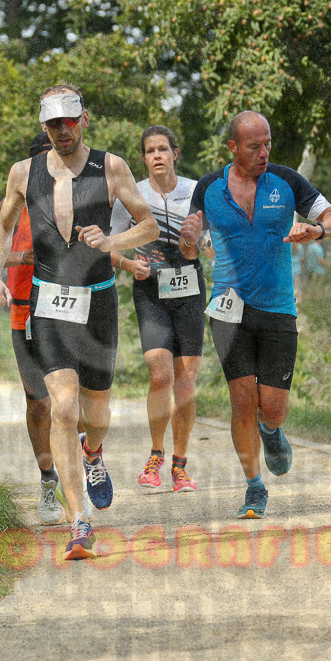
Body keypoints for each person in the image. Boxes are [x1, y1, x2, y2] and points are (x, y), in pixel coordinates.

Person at [0, 83, 159, 560]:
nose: (62, 131)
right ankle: (79, 520)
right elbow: (2, 225)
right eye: (53, 124)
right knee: (63, 408)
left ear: (84, 119)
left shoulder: (112, 167)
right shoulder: (24, 172)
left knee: (95, 415)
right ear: (43, 126)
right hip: (48, 304)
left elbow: (149, 225)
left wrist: (112, 242)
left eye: (69, 121)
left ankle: (94, 453)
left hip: (98, 302)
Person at [191, 110, 331, 519]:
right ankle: (254, 487)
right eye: (255, 146)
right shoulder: (208, 187)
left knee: (271, 407)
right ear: (233, 147)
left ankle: (271, 430)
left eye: (268, 144)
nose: (264, 153)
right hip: (227, 309)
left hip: (277, 307)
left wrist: (318, 231)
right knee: (242, 400)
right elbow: (191, 236)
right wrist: (192, 240)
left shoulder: (288, 182)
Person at [0, 131, 69, 525]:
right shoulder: (11, 203)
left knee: (73, 399)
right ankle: (49, 479)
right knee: (39, 403)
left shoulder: (76, 196)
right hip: (25, 312)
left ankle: (84, 460)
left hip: (68, 308)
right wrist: (21, 256)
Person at [109, 125, 207, 494]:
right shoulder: (131, 195)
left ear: (175, 153)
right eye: (150, 151)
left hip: (190, 287)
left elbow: (201, 247)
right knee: (159, 373)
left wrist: (192, 244)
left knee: (185, 382)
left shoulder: (196, 191)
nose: (157, 156)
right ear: (144, 157)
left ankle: (180, 467)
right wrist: (129, 265)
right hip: (150, 289)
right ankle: (155, 455)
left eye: (163, 149)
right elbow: (107, 244)